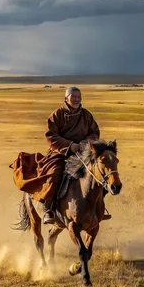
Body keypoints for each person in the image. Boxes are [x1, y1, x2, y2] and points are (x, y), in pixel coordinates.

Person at [37, 86, 108, 224]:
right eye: (73, 97)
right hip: (60, 153)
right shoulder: (57, 115)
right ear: (66, 98)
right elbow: (50, 135)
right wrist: (70, 146)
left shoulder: (86, 115)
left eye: (78, 97)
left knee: (100, 173)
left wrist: (85, 143)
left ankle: (99, 208)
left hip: (83, 153)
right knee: (54, 174)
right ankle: (49, 209)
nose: (76, 99)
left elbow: (95, 132)